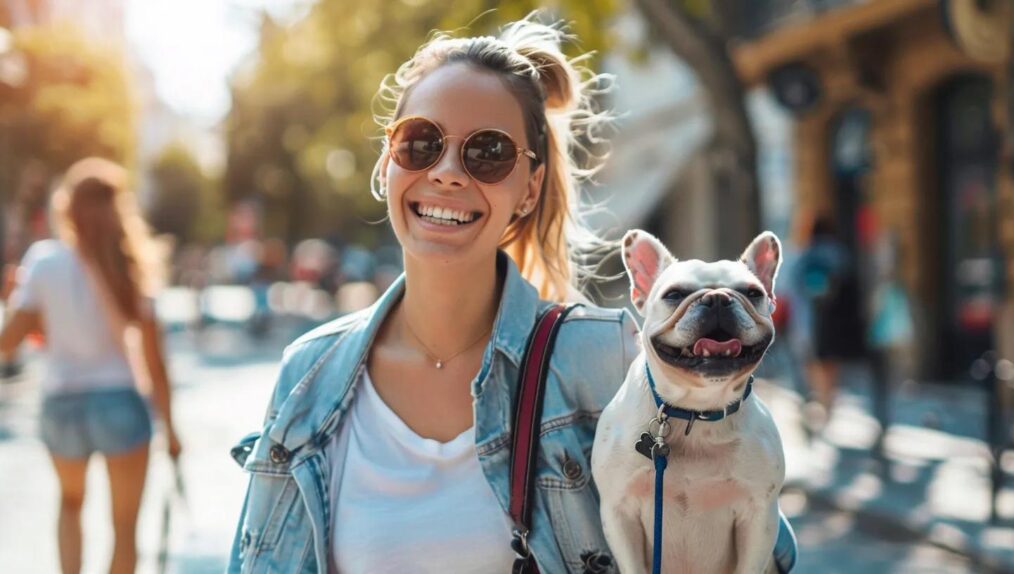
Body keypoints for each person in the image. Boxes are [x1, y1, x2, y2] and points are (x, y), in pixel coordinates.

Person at [228, 16, 796, 573]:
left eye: (489, 151)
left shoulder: (605, 356)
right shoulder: (309, 376)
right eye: (421, 142)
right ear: (387, 160)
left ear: (529, 188)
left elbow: (758, 526)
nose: (448, 172)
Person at [0, 158, 181, 574]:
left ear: (66, 207)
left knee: (69, 505)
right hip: (119, 401)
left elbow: (7, 344)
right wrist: (171, 431)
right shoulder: (131, 266)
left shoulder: (43, 263)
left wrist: (22, 306)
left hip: (62, 403)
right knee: (124, 527)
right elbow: (157, 365)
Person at [793, 215, 865, 422]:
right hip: (835, 321)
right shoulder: (839, 254)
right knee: (831, 364)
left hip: (808, 320)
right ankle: (828, 402)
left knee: (812, 362)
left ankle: (818, 399)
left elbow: (795, 287)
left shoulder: (806, 254)